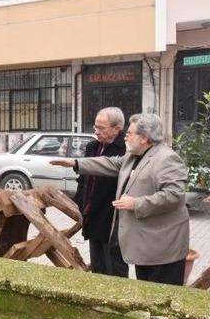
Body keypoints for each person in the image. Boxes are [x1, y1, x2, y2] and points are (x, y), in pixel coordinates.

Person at [51, 114, 190, 285]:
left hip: (163, 247)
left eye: (130, 133)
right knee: (146, 292)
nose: (126, 136)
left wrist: (136, 203)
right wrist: (74, 163)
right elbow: (110, 163)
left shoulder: (166, 159)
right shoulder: (134, 155)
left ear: (144, 138)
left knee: (163, 297)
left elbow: (175, 195)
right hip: (146, 246)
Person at [74, 107, 128, 278]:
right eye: (95, 127)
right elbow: (83, 179)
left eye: (101, 128)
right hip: (93, 215)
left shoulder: (125, 150)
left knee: (115, 267)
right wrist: (81, 202)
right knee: (97, 266)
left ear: (116, 128)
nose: (96, 131)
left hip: (113, 218)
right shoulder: (92, 147)